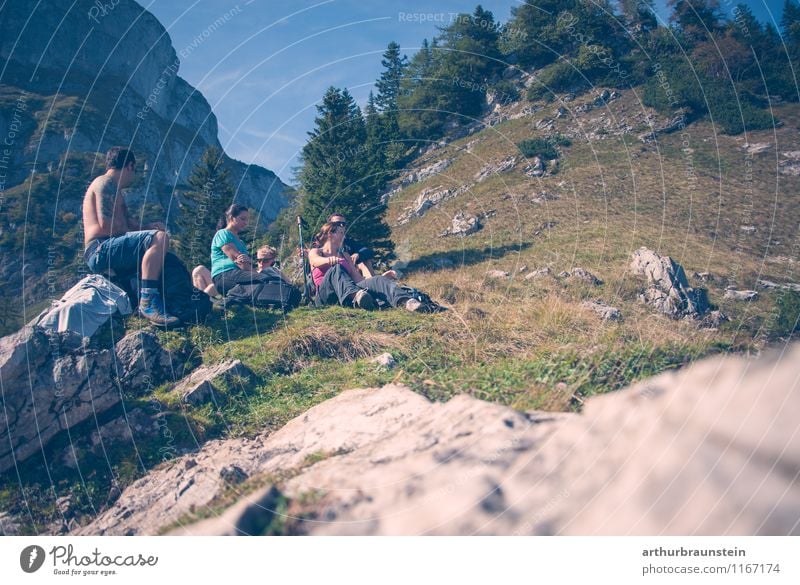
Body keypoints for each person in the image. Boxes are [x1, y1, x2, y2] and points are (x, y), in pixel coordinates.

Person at [82, 147, 177, 325]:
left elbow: (126, 222)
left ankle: (145, 302)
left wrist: (147, 227)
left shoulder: (114, 189)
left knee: (161, 256)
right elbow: (106, 224)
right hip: (100, 248)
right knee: (160, 238)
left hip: (107, 248)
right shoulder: (105, 183)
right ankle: (148, 301)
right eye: (134, 170)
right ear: (130, 166)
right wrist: (150, 235)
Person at [308, 222, 423, 311]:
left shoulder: (345, 255)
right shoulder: (316, 251)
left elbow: (358, 279)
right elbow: (315, 261)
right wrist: (329, 260)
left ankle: (407, 302)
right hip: (326, 297)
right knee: (336, 269)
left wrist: (379, 279)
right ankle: (357, 296)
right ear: (330, 234)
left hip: (347, 295)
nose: (344, 236)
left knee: (378, 280)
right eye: (341, 233)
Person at [210, 204, 276, 295]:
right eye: (242, 219)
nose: (246, 223)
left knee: (269, 282)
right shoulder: (223, 234)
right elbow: (239, 261)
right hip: (224, 275)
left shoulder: (240, 242)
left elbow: (245, 262)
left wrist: (249, 263)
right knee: (265, 279)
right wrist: (257, 274)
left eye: (247, 219)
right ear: (232, 218)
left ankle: (237, 297)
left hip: (239, 274)